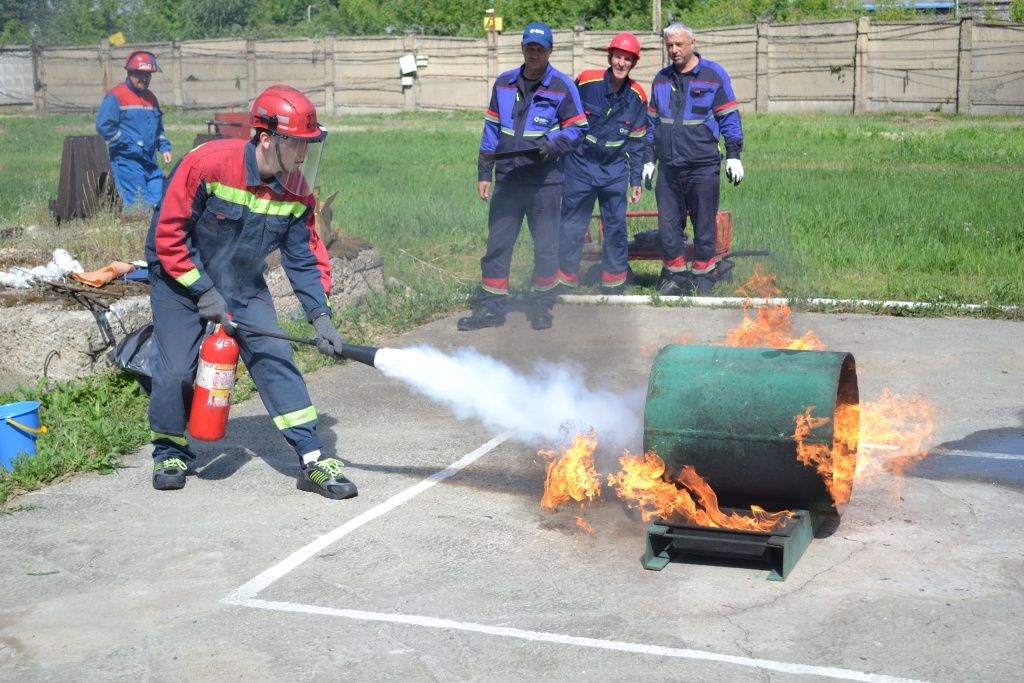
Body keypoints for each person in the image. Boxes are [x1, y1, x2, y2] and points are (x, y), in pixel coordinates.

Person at [144, 84, 358, 500]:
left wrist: (321, 315)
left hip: (241, 278)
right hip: (179, 275)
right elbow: (169, 237)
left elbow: (304, 258)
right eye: (297, 145)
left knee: (274, 356)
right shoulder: (207, 165)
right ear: (266, 138)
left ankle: (312, 458)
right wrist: (204, 293)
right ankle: (169, 448)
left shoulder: (295, 191)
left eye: (308, 147)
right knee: (176, 371)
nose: (302, 156)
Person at [458, 21, 588, 332]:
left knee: (545, 247)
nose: (534, 53)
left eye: (540, 49)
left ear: (550, 51)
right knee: (498, 245)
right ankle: (492, 309)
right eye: (529, 47)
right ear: (523, 49)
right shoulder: (503, 83)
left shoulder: (562, 86)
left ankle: (541, 306)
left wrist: (552, 147)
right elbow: (490, 130)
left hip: (545, 182)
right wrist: (483, 172)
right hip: (508, 179)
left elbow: (579, 129)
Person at [644, 23, 744, 296]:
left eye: (679, 44)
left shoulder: (713, 75)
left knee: (703, 226)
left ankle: (703, 277)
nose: (674, 50)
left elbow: (729, 117)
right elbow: (652, 122)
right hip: (669, 168)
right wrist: (648, 159)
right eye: (669, 46)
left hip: (702, 166)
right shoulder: (661, 79)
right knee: (668, 226)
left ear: (692, 43)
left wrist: (733, 155)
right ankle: (676, 276)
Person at [557, 32, 650, 295]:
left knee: (616, 227)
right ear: (610, 57)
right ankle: (564, 280)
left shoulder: (638, 96)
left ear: (633, 63)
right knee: (572, 225)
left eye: (628, 59)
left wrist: (635, 181)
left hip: (614, 171)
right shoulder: (587, 81)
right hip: (580, 166)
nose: (622, 63)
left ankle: (614, 282)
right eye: (618, 57)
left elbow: (638, 142)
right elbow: (566, 118)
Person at [95, 50, 173, 212]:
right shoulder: (116, 96)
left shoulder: (151, 98)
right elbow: (104, 126)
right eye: (140, 74)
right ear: (130, 72)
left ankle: (152, 235)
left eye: (148, 75)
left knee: (160, 203)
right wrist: (130, 145)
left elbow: (158, 127)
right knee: (139, 207)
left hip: (150, 163)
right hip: (127, 161)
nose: (144, 78)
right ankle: (137, 236)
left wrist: (164, 147)